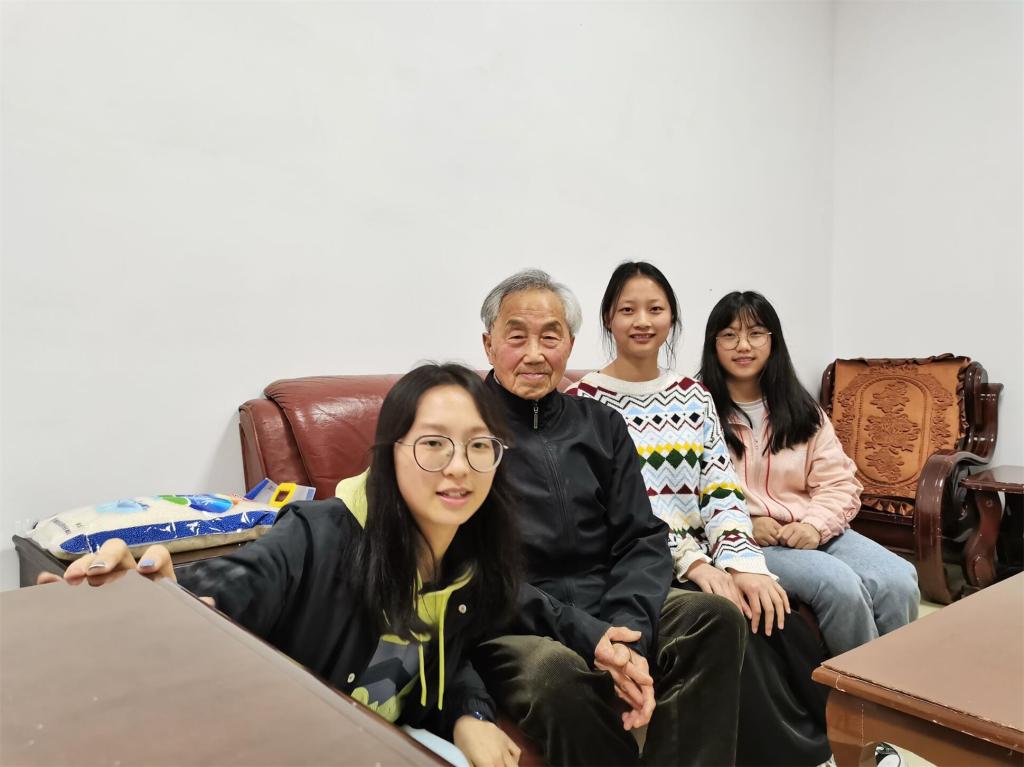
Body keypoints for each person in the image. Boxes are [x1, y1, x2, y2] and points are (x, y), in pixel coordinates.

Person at [38, 363, 524, 767]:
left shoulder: (468, 559)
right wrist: (156, 597)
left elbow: (444, 656)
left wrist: (470, 715)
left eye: (479, 444)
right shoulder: (318, 537)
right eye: (433, 443)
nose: (459, 466)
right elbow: (235, 584)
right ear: (388, 455)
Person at [473, 269, 749, 767]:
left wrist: (628, 632)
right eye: (517, 337)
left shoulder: (599, 423)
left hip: (607, 600)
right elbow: (470, 569)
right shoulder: (466, 431)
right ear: (489, 345)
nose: (534, 354)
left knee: (715, 618)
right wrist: (588, 635)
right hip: (516, 618)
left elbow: (642, 537)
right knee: (553, 673)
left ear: (570, 344)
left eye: (550, 337)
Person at [567, 261, 831, 767]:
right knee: (735, 625)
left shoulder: (694, 397)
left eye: (655, 309)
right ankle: (802, 754)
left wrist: (741, 564)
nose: (642, 321)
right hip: (640, 565)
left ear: (672, 318)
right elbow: (614, 513)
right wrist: (693, 564)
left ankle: (839, 739)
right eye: (628, 310)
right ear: (608, 319)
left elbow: (721, 492)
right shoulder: (584, 404)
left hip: (708, 558)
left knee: (777, 615)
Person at [698, 290, 920, 657]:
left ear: (773, 341)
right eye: (729, 335)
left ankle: (895, 679)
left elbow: (839, 483)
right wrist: (746, 523)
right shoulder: (697, 409)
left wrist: (815, 526)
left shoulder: (801, 409)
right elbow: (686, 493)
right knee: (838, 585)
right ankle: (857, 687)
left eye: (756, 333)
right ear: (713, 344)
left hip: (813, 527)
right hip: (746, 541)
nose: (743, 345)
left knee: (899, 578)